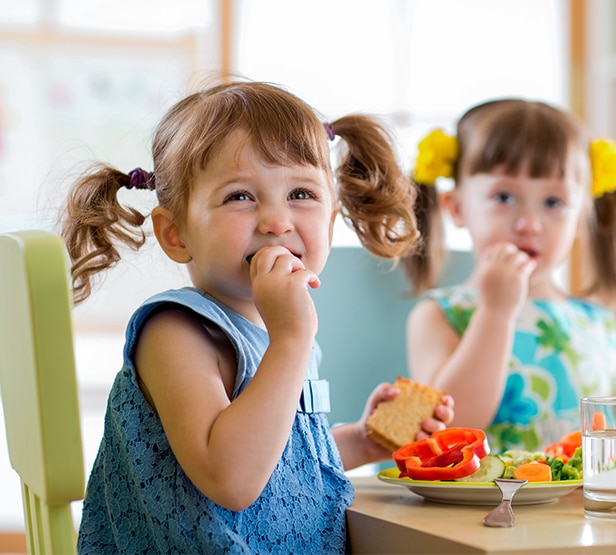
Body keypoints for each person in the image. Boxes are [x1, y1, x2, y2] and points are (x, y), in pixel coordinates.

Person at [61, 80, 455, 554]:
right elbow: (232, 478)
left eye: (302, 194)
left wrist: (361, 441)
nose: (277, 221)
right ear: (176, 233)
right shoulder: (175, 332)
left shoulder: (283, 330)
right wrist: (293, 338)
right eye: (240, 197)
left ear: (330, 224)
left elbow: (281, 465)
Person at [402, 98, 616, 454]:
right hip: (485, 510)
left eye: (553, 203)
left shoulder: (594, 321)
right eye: (503, 196)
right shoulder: (441, 314)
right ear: (457, 207)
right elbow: (448, 435)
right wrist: (496, 313)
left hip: (578, 511)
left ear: (580, 216)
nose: (529, 224)